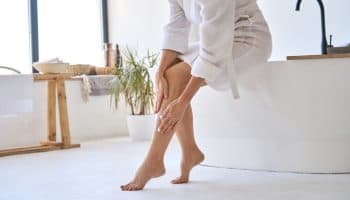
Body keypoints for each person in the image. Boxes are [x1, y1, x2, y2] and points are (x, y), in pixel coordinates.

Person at [121, 0, 272, 191]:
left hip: (248, 40)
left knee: (177, 76)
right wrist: (159, 72)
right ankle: (189, 152)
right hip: (218, 39)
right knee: (169, 74)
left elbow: (214, 50)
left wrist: (183, 101)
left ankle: (154, 161)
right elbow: (176, 27)